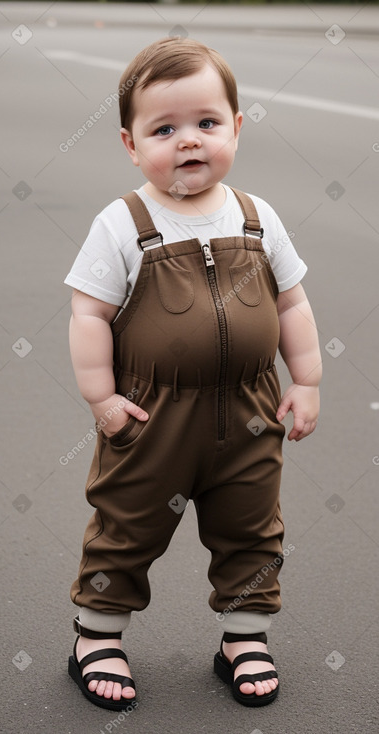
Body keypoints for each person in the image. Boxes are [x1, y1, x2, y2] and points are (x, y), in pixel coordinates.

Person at [64, 37, 321, 712]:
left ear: (235, 127)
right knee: (128, 524)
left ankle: (243, 637)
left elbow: (290, 300)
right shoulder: (123, 223)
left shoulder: (257, 217)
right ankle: (97, 635)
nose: (187, 142)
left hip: (249, 410)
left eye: (206, 124)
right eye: (164, 129)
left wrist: (307, 381)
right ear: (130, 143)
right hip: (152, 416)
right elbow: (88, 313)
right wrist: (102, 396)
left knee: (251, 527)